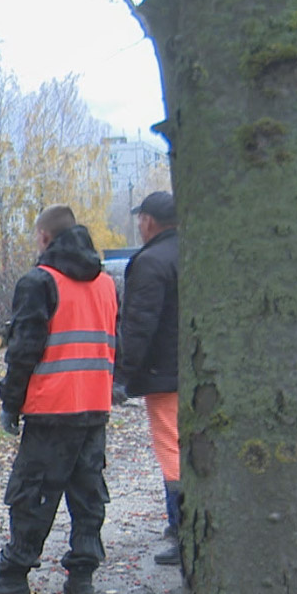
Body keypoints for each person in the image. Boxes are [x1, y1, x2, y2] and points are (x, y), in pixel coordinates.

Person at [0, 205, 119, 594]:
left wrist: (10, 403)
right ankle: (82, 579)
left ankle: (13, 576)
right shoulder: (105, 282)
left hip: (52, 407)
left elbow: (24, 351)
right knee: (88, 494)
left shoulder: (39, 282)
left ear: (45, 237)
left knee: (31, 493)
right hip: (95, 403)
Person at [117, 191, 180, 565]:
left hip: (165, 374)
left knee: (171, 449)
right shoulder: (198, 251)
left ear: (149, 221)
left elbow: (138, 325)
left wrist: (122, 376)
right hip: (198, 370)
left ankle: (183, 531)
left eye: (140, 218)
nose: (139, 224)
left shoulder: (150, 261)